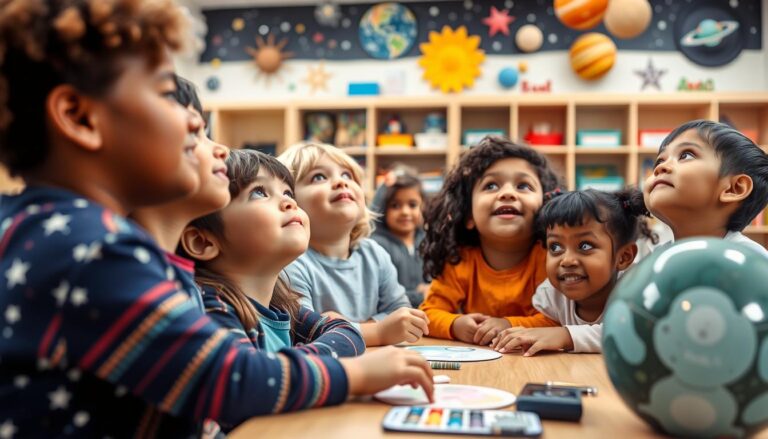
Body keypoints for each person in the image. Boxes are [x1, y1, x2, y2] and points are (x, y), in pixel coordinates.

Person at [0, 2, 432, 436]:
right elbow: (228, 379)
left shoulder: (59, 231)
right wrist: (357, 375)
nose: (195, 119)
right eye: (168, 94)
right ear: (79, 117)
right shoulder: (90, 245)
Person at [279, 142, 430, 346]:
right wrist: (379, 331)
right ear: (290, 203)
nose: (341, 183)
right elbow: (307, 334)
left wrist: (347, 326)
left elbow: (402, 313)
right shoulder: (290, 265)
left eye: (347, 176)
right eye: (319, 177)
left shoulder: (375, 254)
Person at [419, 136, 560, 346]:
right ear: (468, 215)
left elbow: (556, 320)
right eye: (491, 185)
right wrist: (455, 324)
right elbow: (428, 314)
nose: (508, 193)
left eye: (523, 186)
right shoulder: (460, 261)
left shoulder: (550, 259)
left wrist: (507, 325)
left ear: (546, 207)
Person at [491, 188, 650, 355]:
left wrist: (566, 335)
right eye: (555, 247)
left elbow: (635, 333)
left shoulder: (637, 290)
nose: (566, 260)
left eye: (585, 246)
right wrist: (508, 325)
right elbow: (546, 325)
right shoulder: (552, 294)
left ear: (623, 257)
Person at [644, 119, 768, 257]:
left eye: (685, 155)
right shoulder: (658, 257)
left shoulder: (750, 260)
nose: (660, 167)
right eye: (660, 161)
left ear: (734, 189)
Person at [370, 172, 428, 307]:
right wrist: (419, 295)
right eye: (395, 205)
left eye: (413, 205)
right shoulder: (377, 245)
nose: (405, 212)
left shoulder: (429, 241)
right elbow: (381, 296)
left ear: (423, 207)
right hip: (394, 319)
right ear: (384, 209)